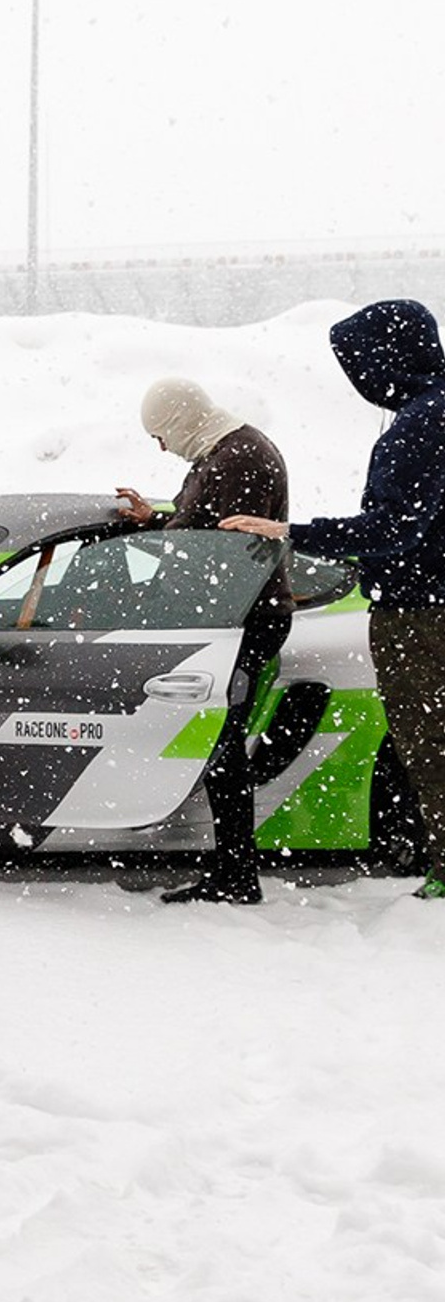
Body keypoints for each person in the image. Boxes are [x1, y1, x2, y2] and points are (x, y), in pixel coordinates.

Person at [226, 300, 445, 900]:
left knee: (429, 746)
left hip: (420, 612)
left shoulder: (422, 426)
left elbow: (391, 531)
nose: (359, 382)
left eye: (360, 366)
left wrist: (293, 534)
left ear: (387, 361)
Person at [116, 377, 290, 903]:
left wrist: (152, 581)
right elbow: (209, 527)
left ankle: (237, 876)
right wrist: (161, 519)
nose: (162, 447)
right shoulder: (227, 448)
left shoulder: (238, 459)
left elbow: (218, 551)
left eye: (160, 434)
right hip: (235, 616)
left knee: (221, 748)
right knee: (219, 744)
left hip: (240, 619)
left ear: (180, 420)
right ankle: (234, 872)